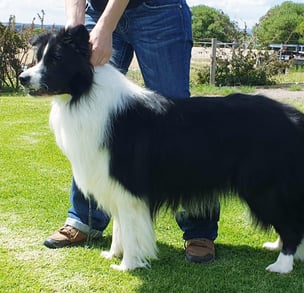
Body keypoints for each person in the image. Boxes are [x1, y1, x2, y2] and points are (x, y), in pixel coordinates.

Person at [44, 0, 220, 264]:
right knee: (89, 126)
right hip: (96, 8)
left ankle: (199, 230)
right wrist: (75, 26)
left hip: (159, 10)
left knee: (176, 122)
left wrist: (106, 26)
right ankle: (85, 219)